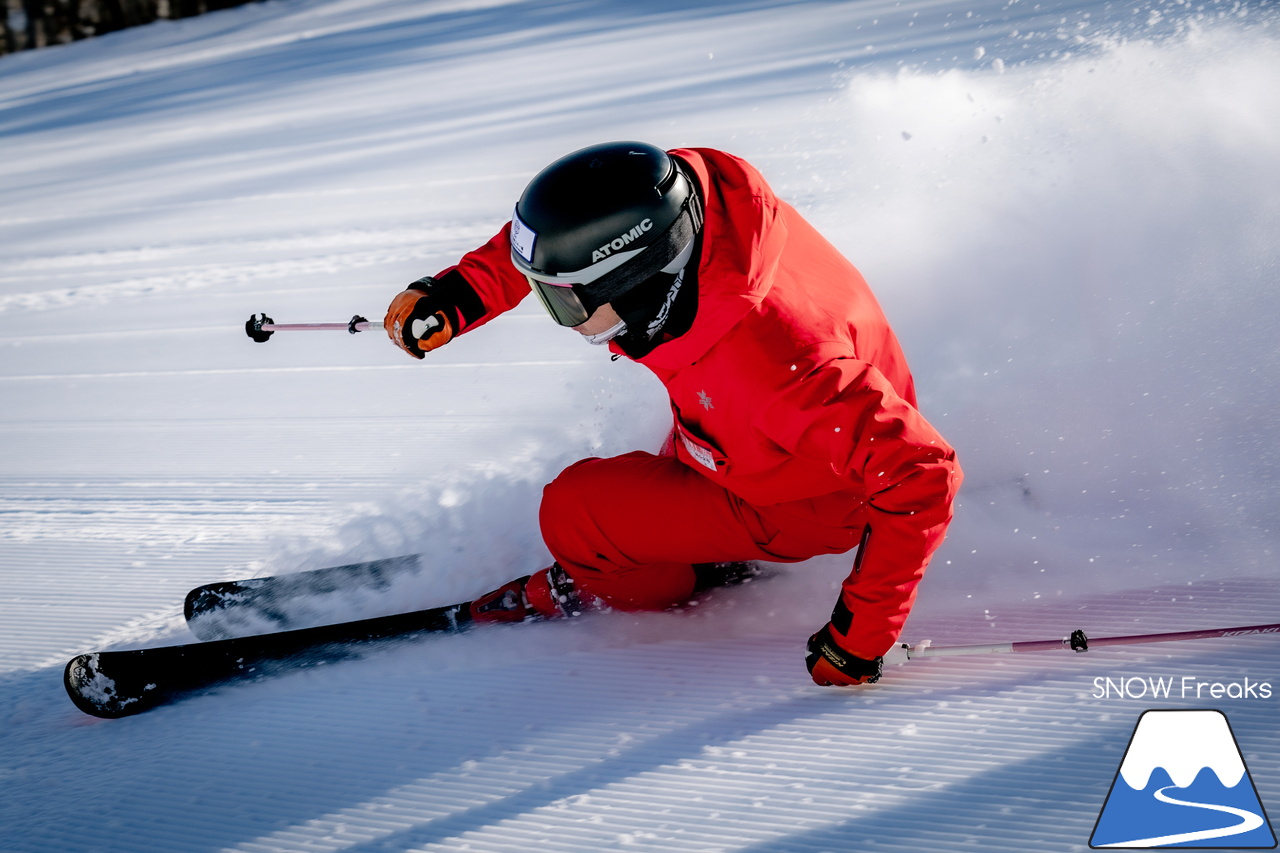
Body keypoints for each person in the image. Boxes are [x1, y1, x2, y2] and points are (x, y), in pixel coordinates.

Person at [384, 141, 961, 686]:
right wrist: (463, 293)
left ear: (639, 282)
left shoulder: (778, 367)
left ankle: (633, 576)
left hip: (808, 499)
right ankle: (676, 536)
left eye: (562, 301)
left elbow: (923, 471)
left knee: (575, 515)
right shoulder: (686, 200)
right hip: (765, 436)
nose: (553, 313)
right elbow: (580, 227)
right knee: (666, 462)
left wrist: (860, 637)